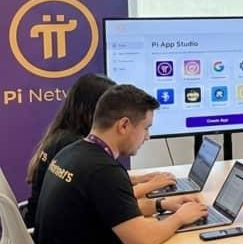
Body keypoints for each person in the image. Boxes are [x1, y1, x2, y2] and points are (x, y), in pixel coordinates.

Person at [33, 84, 214, 244]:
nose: (147, 137)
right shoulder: (103, 170)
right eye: (146, 128)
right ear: (124, 125)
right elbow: (141, 241)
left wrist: (162, 204)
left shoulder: (72, 153)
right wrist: (180, 217)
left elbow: (115, 211)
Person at [24, 73, 175, 227]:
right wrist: (153, 187)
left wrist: (141, 179)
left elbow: (100, 187)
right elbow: (109, 196)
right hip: (54, 230)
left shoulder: (64, 139)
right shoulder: (75, 148)